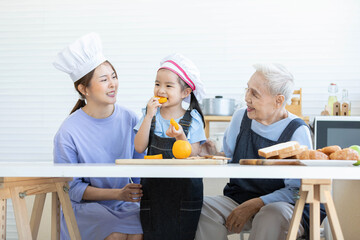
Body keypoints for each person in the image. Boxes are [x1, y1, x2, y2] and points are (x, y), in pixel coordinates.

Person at [195, 64, 326, 240]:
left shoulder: (297, 131)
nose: (247, 98)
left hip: (283, 206)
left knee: (270, 215)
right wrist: (213, 153)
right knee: (200, 208)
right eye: (247, 90)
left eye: (255, 94)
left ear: (278, 101)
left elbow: (297, 190)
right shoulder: (240, 118)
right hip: (239, 198)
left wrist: (257, 203)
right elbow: (228, 157)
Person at [53, 32, 144, 240]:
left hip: (124, 204)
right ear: (83, 89)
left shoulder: (130, 119)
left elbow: (141, 167)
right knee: (115, 233)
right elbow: (72, 189)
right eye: (104, 79)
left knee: (139, 230)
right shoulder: (68, 131)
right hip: (83, 207)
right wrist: (118, 193)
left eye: (114, 76)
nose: (113, 84)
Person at [134, 53, 207, 240]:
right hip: (153, 193)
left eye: (168, 85)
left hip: (185, 194)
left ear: (185, 92)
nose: (160, 90)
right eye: (157, 84)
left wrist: (180, 136)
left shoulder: (193, 118)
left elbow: (194, 152)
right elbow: (139, 147)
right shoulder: (150, 115)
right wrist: (149, 115)